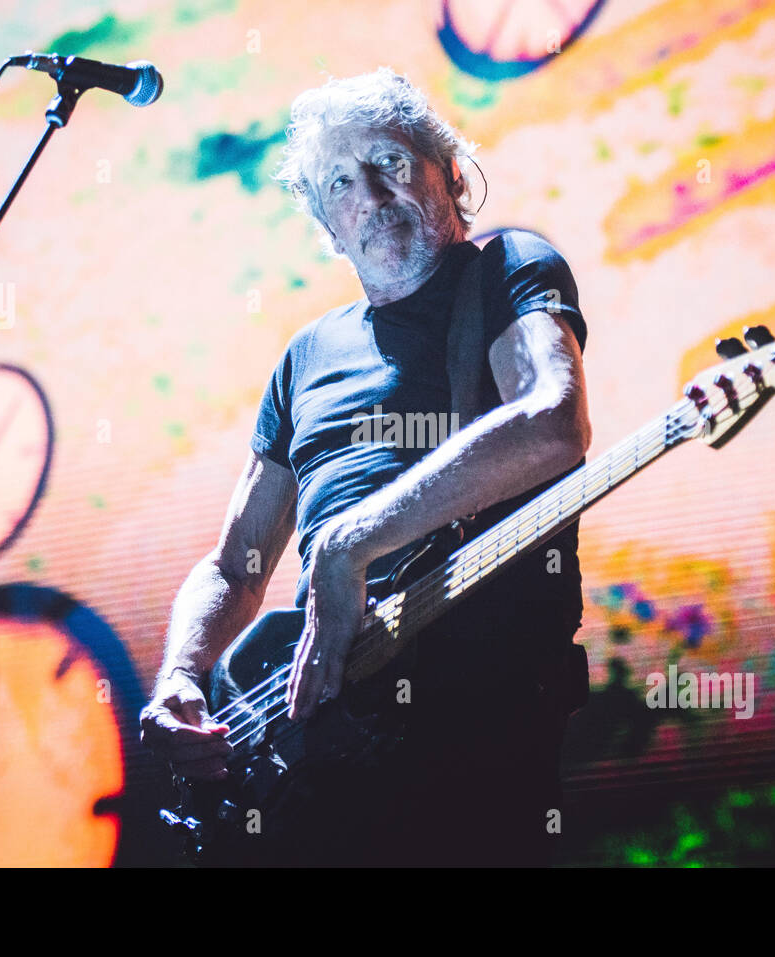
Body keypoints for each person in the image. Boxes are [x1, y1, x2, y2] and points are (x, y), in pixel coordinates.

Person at [140, 66, 591, 865]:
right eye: (342, 182)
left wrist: (349, 544)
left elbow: (554, 423)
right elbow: (236, 566)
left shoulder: (505, 269)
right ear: (327, 224)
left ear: (450, 172)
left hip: (475, 726)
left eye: (390, 162)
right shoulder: (305, 355)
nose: (374, 196)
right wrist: (182, 671)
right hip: (315, 760)